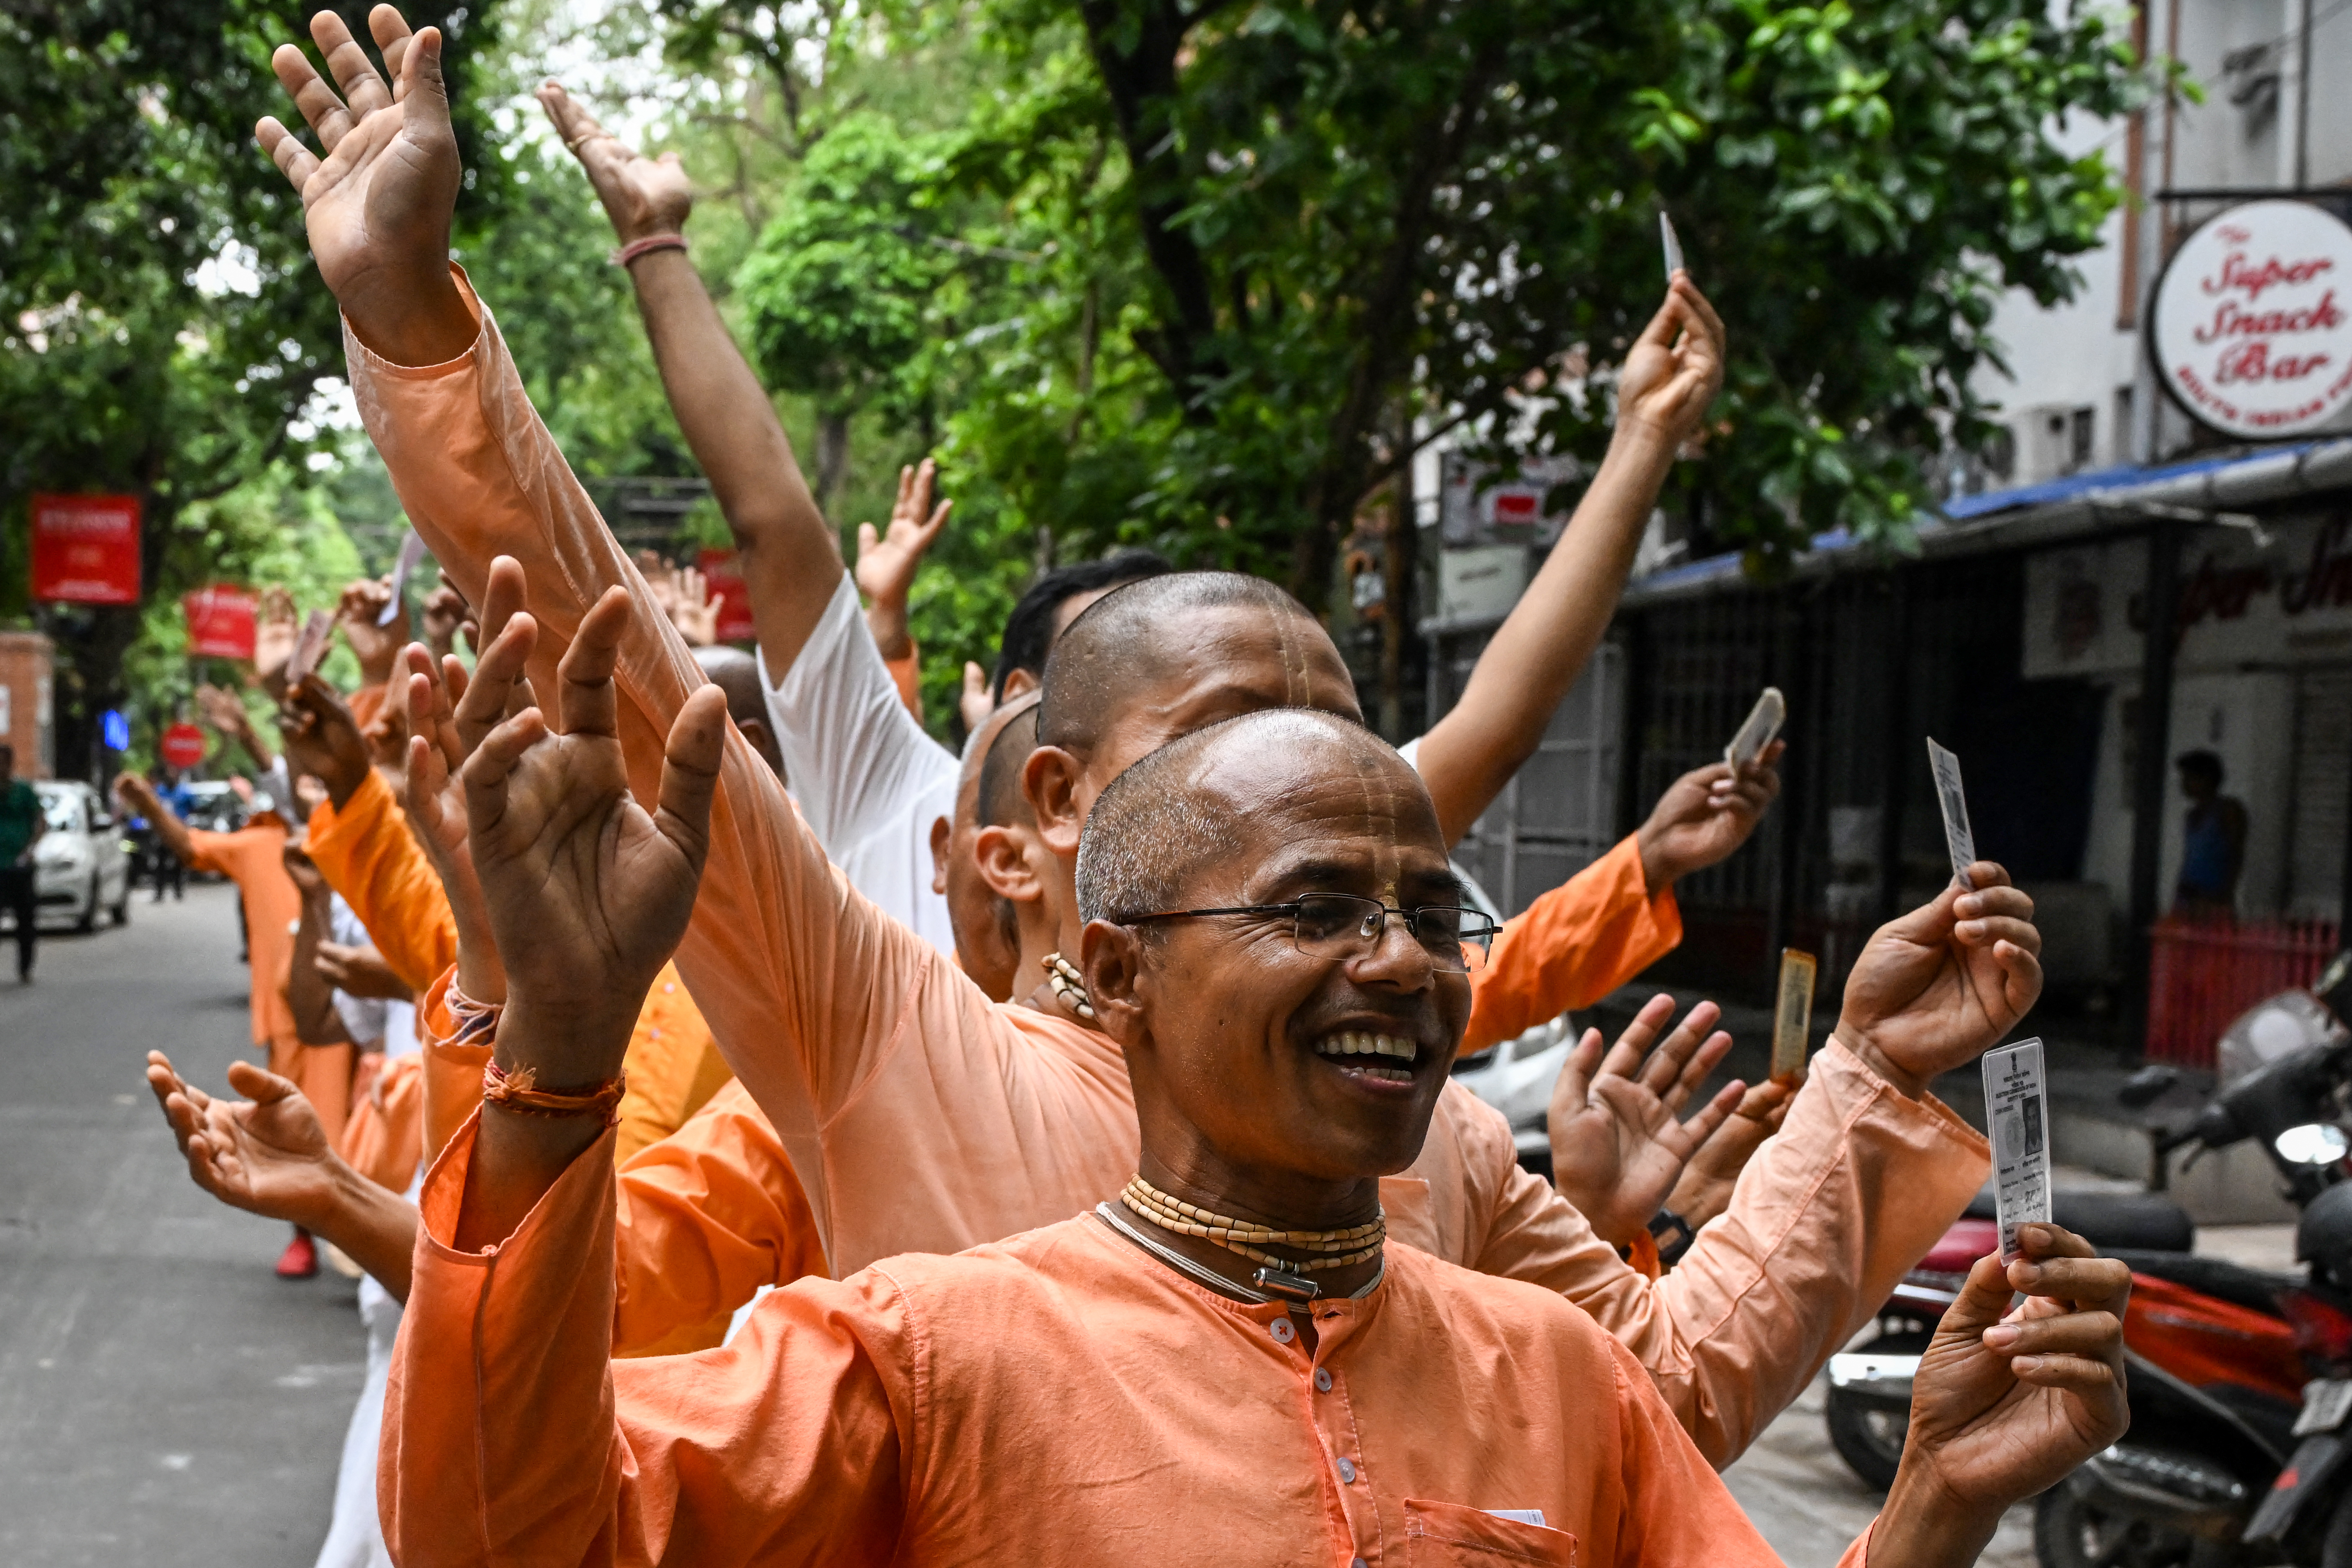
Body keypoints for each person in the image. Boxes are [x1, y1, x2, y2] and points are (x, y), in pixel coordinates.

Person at [258, 14, 2004, 1462]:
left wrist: (1861, 1083)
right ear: (1029, 832)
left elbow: (1657, 1392)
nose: (1310, 789)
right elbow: (631, 670)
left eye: (1334, 738)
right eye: (1233, 737)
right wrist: (422, 331)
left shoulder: (1439, 1140)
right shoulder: (904, 1046)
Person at [387, 682, 2129, 1565]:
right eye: (1313, 909)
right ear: (1110, 974)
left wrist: (1928, 1511)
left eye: (1435, 918)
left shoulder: (1560, 1375)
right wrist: (553, 1055)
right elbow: (499, 1531)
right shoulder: (927, 1354)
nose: (1401, 965)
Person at [116, 769, 350, 1278]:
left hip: (365, 1016)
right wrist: (148, 801)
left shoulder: (365, 833)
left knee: (367, 1129)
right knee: (299, 1129)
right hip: (291, 1022)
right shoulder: (260, 843)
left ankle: (375, 1246)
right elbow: (191, 846)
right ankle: (305, 1237)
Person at [2173, 749, 2247, 918]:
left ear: (2206, 778)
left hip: (2214, 898)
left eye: (2189, 777)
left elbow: (2236, 855)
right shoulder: (2191, 816)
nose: (2183, 784)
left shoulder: (2229, 811)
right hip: (2188, 895)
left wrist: (2224, 895)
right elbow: (2190, 858)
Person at [0, 744, 44, 983]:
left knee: (25, 919)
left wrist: (29, 850)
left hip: (19, 864)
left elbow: (40, 821)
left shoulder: (23, 791)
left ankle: (25, 966)